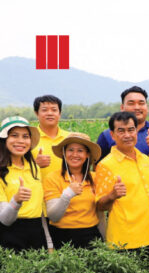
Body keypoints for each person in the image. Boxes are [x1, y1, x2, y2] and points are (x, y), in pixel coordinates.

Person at [94, 112, 149, 253]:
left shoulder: (146, 159)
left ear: (136, 131)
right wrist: (112, 195)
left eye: (131, 130)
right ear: (112, 135)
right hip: (126, 240)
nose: (127, 135)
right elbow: (100, 205)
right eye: (121, 131)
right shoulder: (105, 165)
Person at [44, 132, 102, 248]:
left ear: (87, 155)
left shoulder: (96, 178)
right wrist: (68, 194)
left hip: (91, 235)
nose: (75, 154)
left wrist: (106, 240)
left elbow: (100, 214)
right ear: (64, 153)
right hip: (62, 236)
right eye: (70, 150)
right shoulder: (52, 178)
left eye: (80, 150)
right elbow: (54, 216)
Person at [0, 116, 50, 250]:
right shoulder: (1, 172)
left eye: (25, 136)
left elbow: (40, 210)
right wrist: (16, 201)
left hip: (36, 233)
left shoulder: (34, 168)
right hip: (9, 235)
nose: (20, 141)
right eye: (14, 135)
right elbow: (4, 219)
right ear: (4, 139)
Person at [96, 86, 149, 160]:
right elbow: (98, 166)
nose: (137, 107)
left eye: (141, 103)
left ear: (147, 107)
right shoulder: (107, 135)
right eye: (131, 103)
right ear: (122, 107)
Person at [31, 95, 70, 179]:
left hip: (68, 190)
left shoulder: (70, 138)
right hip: (38, 190)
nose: (50, 113)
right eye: (44, 110)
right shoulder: (29, 139)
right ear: (36, 113)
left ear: (60, 113)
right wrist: (34, 164)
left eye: (54, 110)